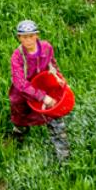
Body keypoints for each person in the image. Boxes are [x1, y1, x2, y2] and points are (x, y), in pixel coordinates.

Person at [9, 20, 70, 160]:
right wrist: (42, 97)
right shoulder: (17, 57)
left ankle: (64, 157)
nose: (28, 40)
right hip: (24, 94)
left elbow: (51, 64)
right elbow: (20, 83)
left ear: (37, 35)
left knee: (54, 117)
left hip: (44, 86)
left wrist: (57, 77)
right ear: (19, 38)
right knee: (21, 116)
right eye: (24, 37)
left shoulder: (46, 47)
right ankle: (19, 133)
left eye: (31, 36)